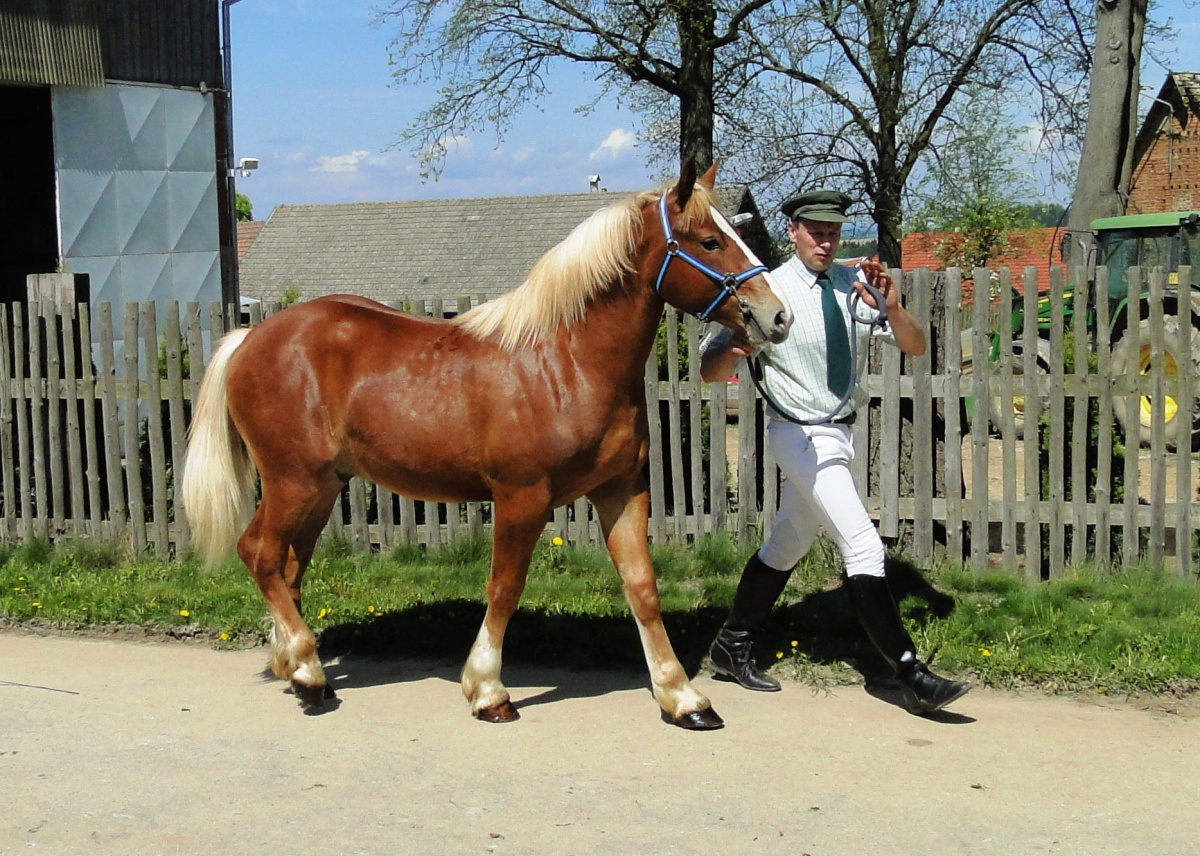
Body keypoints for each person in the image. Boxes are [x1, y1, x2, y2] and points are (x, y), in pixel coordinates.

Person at [700, 189, 969, 715]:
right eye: (816, 233)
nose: (826, 243)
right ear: (793, 231)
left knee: (789, 542)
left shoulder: (853, 285)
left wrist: (893, 307)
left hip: (840, 433)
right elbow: (711, 370)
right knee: (864, 547)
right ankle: (910, 673)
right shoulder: (766, 290)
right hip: (798, 434)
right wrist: (735, 348)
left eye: (833, 233)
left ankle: (731, 645)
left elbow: (916, 346)